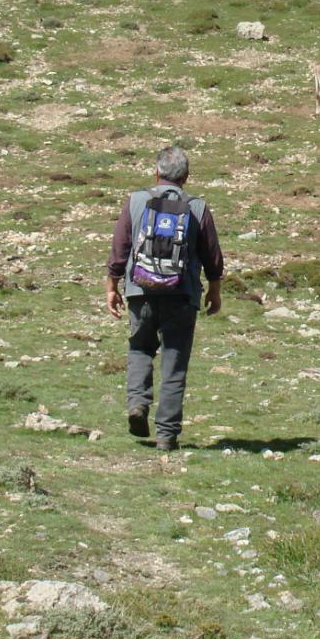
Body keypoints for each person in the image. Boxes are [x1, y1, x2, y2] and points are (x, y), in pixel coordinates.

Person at [106, 145, 224, 451]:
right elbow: (212, 255)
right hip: (182, 294)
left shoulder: (135, 201)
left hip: (139, 291)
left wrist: (112, 285)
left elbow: (120, 248)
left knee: (140, 349)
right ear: (186, 177)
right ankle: (167, 435)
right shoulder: (197, 208)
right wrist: (214, 289)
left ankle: (137, 405)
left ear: (156, 172)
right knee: (174, 363)